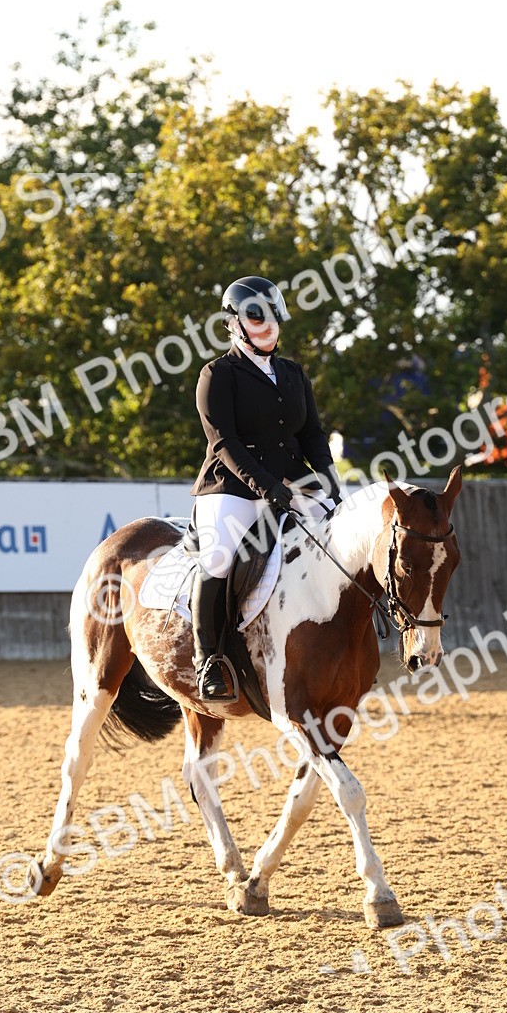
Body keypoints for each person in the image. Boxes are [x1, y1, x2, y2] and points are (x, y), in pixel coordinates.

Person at [189, 275, 342, 700]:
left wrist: (328, 479)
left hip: (291, 483)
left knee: (343, 542)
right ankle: (209, 663)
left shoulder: (293, 373)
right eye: (258, 319)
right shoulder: (217, 374)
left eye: (274, 318)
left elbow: (311, 432)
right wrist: (266, 485)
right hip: (231, 488)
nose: (269, 327)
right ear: (234, 323)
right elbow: (224, 443)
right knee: (219, 559)